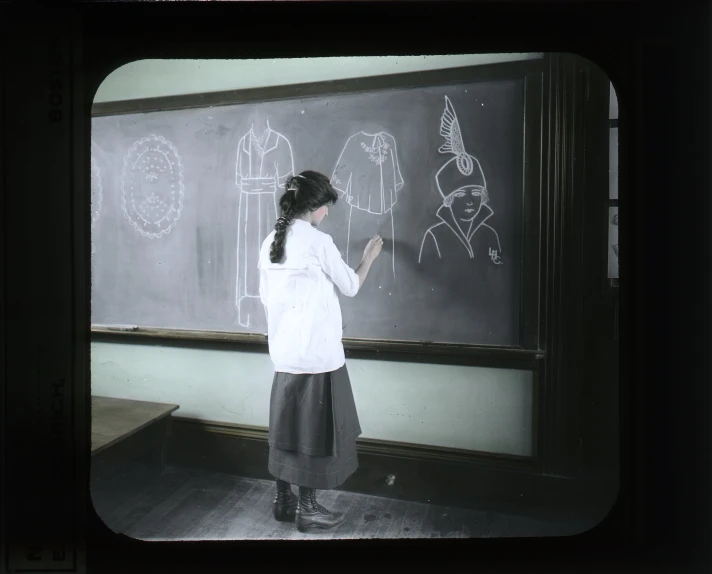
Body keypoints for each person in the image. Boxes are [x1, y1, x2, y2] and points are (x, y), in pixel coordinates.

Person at [257, 170, 383, 533]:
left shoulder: (269, 241)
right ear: (314, 206)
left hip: (285, 356)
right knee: (314, 431)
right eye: (327, 207)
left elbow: (267, 298)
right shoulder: (318, 241)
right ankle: (308, 508)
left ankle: (284, 501)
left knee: (286, 428)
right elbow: (351, 286)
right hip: (317, 356)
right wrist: (369, 257)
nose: (328, 214)